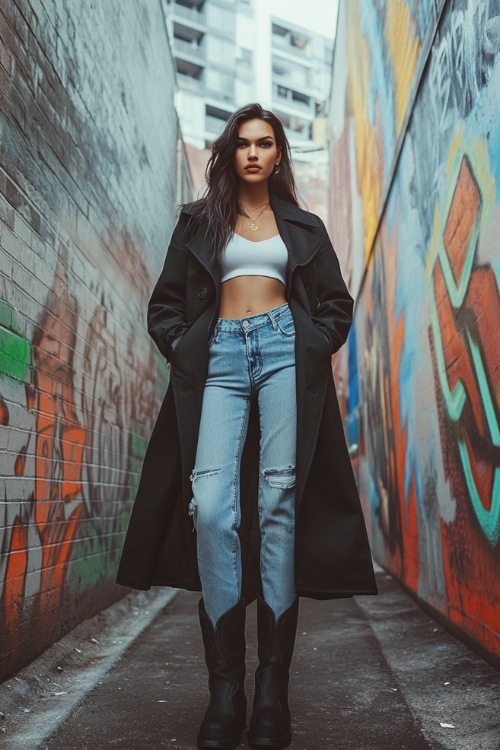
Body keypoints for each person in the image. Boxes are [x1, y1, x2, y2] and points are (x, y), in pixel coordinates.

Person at [116, 102, 377, 749]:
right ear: (230, 153)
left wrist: (312, 341)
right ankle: (224, 690)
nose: (254, 153)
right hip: (221, 358)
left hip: (286, 351)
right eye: (243, 143)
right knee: (210, 508)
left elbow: (337, 308)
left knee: (279, 505)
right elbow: (165, 305)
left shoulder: (304, 228)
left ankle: (269, 694)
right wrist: (184, 347)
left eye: (265, 143)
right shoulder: (199, 221)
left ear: (279, 154)